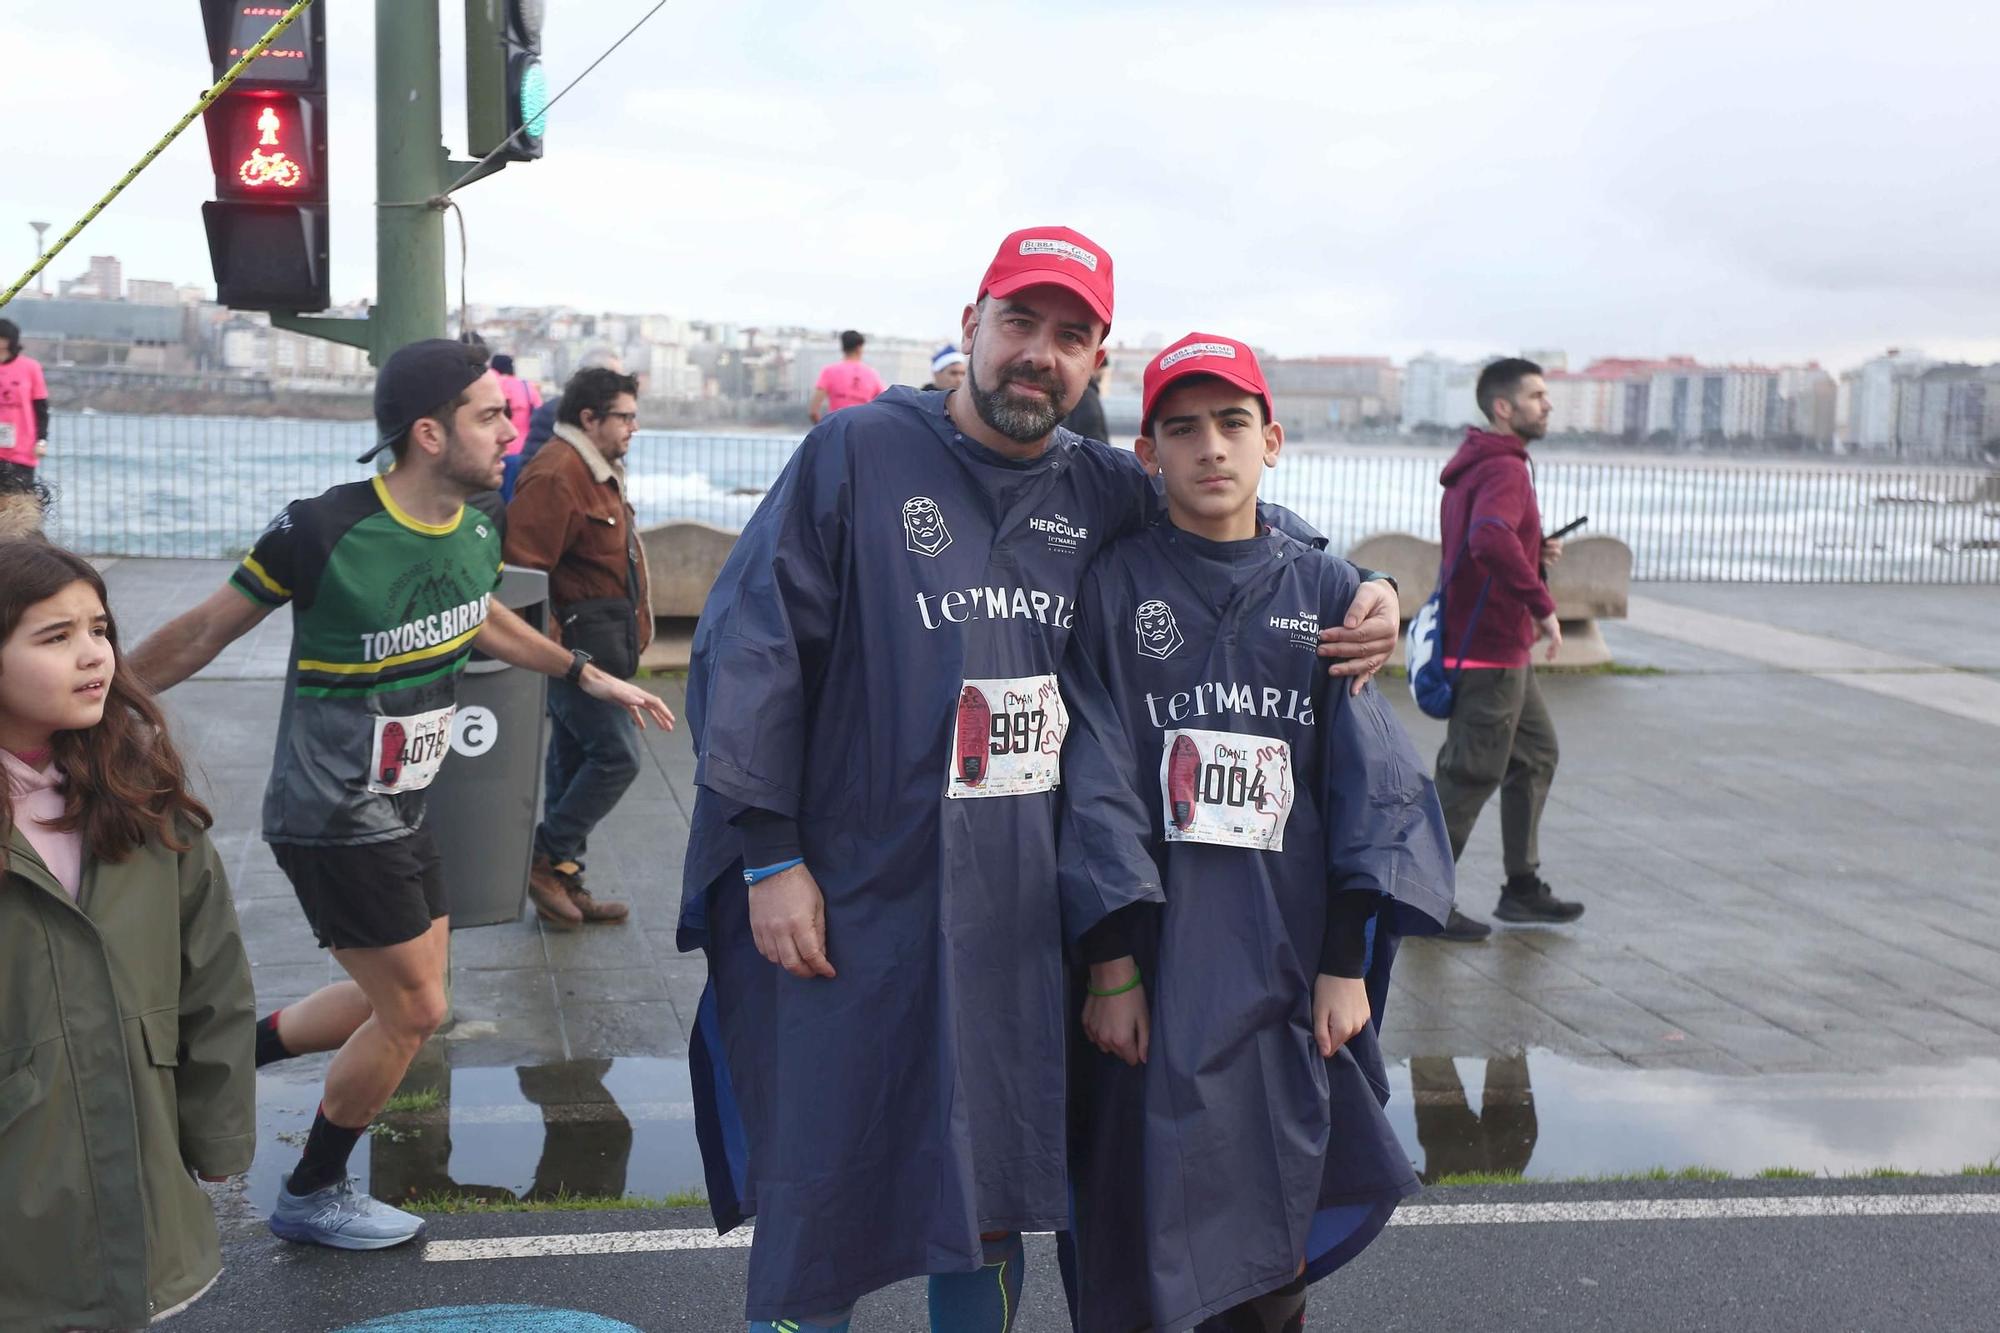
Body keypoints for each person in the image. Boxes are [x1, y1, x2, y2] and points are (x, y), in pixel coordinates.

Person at [677, 226, 1401, 1330]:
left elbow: (1245, 523)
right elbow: (752, 649)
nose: (1038, 354)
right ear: (969, 326)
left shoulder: (1105, 485)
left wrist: (1376, 587)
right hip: (854, 887)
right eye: (1019, 323)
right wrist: (769, 852)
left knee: (989, 1184)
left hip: (1015, 908)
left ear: (1095, 366)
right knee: (822, 1175)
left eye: (1070, 337)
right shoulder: (857, 454)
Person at [128, 339, 674, 1252]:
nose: (511, 428)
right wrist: (100, 709)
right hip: (331, 813)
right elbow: (201, 632)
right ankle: (313, 1188)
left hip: (408, 803)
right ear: (428, 431)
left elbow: (485, 614)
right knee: (416, 1009)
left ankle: (214, 1059)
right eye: (489, 414)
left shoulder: (472, 526)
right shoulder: (323, 530)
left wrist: (584, 672)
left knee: (403, 993)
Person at [1057, 334, 1453, 1332]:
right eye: (1180, 428)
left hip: (1281, 963)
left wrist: (1345, 960)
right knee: (1135, 1211)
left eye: (1231, 423)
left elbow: (1371, 790)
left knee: (1270, 1216)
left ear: (1271, 439)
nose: (1209, 449)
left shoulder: (1325, 592)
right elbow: (1093, 780)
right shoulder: (1109, 589)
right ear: (1145, 450)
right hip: (1157, 957)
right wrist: (1109, 962)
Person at [0, 538, 256, 1331]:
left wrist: (217, 1131)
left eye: (100, 629)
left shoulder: (141, 799)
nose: (93, 657)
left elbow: (212, 977)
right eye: (55, 636)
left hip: (139, 1185)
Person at [1431, 357, 1583, 940]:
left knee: (1536, 754)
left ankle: (1521, 888)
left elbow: (1492, 537)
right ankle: (1422, 899)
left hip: (1499, 648)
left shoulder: (1482, 466)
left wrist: (1532, 548)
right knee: (1469, 776)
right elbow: (1488, 537)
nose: (1547, 405)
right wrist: (1542, 606)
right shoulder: (1504, 468)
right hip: (1490, 649)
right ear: (1503, 407)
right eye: (1537, 395)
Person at [505, 365, 651, 928]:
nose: (634, 428)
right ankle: (544, 860)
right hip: (571, 657)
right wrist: (560, 660)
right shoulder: (558, 474)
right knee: (616, 757)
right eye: (624, 417)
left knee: (570, 762)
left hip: (597, 653)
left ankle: (564, 877)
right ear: (588, 418)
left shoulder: (596, 469)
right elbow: (522, 576)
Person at [0, 318, 50, 490]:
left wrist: (41, 440)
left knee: (16, 503)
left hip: (21, 450)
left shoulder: (30, 368)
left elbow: (41, 408)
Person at [492, 353, 544, 501]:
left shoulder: (495, 385)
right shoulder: (528, 387)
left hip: (499, 452)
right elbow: (539, 412)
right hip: (524, 452)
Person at [806, 329, 885, 423]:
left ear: (843, 347)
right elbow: (884, 405)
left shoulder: (829, 372)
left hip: (836, 429)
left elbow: (813, 412)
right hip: (862, 431)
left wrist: (825, 432)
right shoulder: (872, 375)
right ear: (859, 348)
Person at [1061, 366, 1108, 443]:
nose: (1102, 373)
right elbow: (1091, 424)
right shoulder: (1088, 394)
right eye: (1102, 369)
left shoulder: (1078, 391)